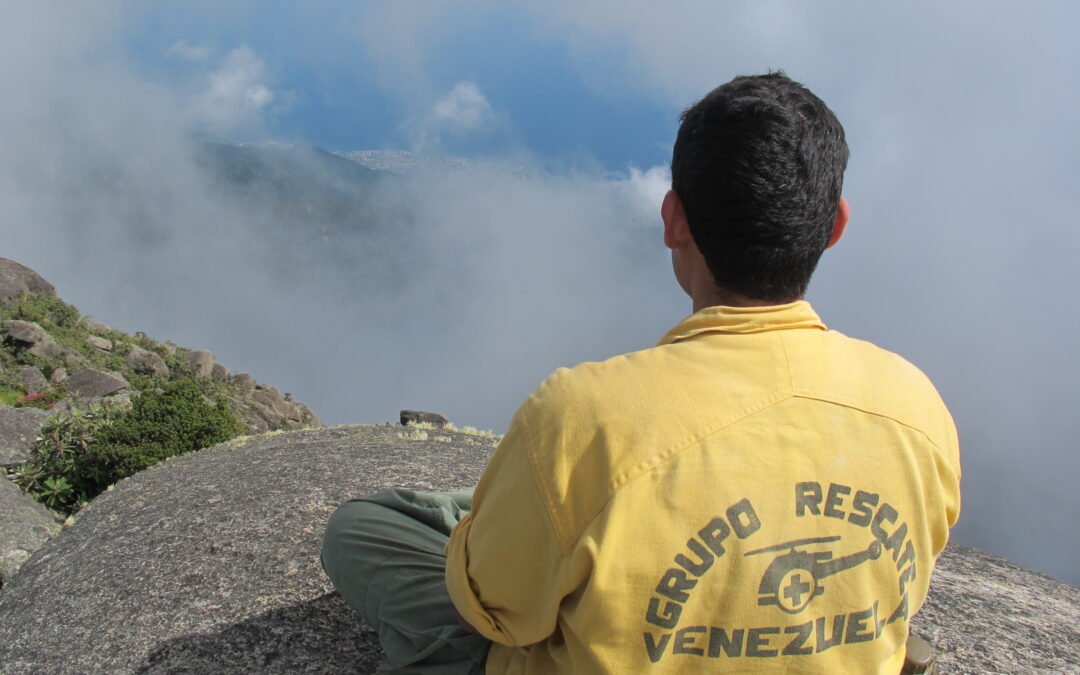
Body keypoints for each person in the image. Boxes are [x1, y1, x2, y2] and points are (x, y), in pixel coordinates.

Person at [321, 71, 961, 674]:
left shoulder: (581, 417)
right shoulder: (917, 407)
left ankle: (502, 512)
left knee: (362, 530)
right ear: (834, 227)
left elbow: (496, 611)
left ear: (673, 217)